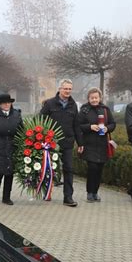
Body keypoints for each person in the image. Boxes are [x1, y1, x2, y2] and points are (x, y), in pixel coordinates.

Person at [40, 79, 83, 207]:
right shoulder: (50, 104)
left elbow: (77, 125)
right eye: (65, 88)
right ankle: (47, 192)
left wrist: (80, 143)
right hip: (52, 142)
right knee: (49, 168)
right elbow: (40, 120)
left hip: (68, 142)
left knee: (69, 169)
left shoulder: (73, 105)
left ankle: (68, 197)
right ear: (59, 89)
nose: (68, 91)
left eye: (70, 89)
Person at [76, 88, 116, 203]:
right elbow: (78, 126)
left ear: (100, 98)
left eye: (96, 98)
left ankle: (95, 192)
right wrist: (90, 127)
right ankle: (89, 192)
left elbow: (113, 124)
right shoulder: (84, 110)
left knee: (99, 169)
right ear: (88, 98)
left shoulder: (105, 109)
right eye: (92, 98)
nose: (94, 100)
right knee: (92, 168)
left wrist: (107, 128)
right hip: (89, 144)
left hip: (102, 144)